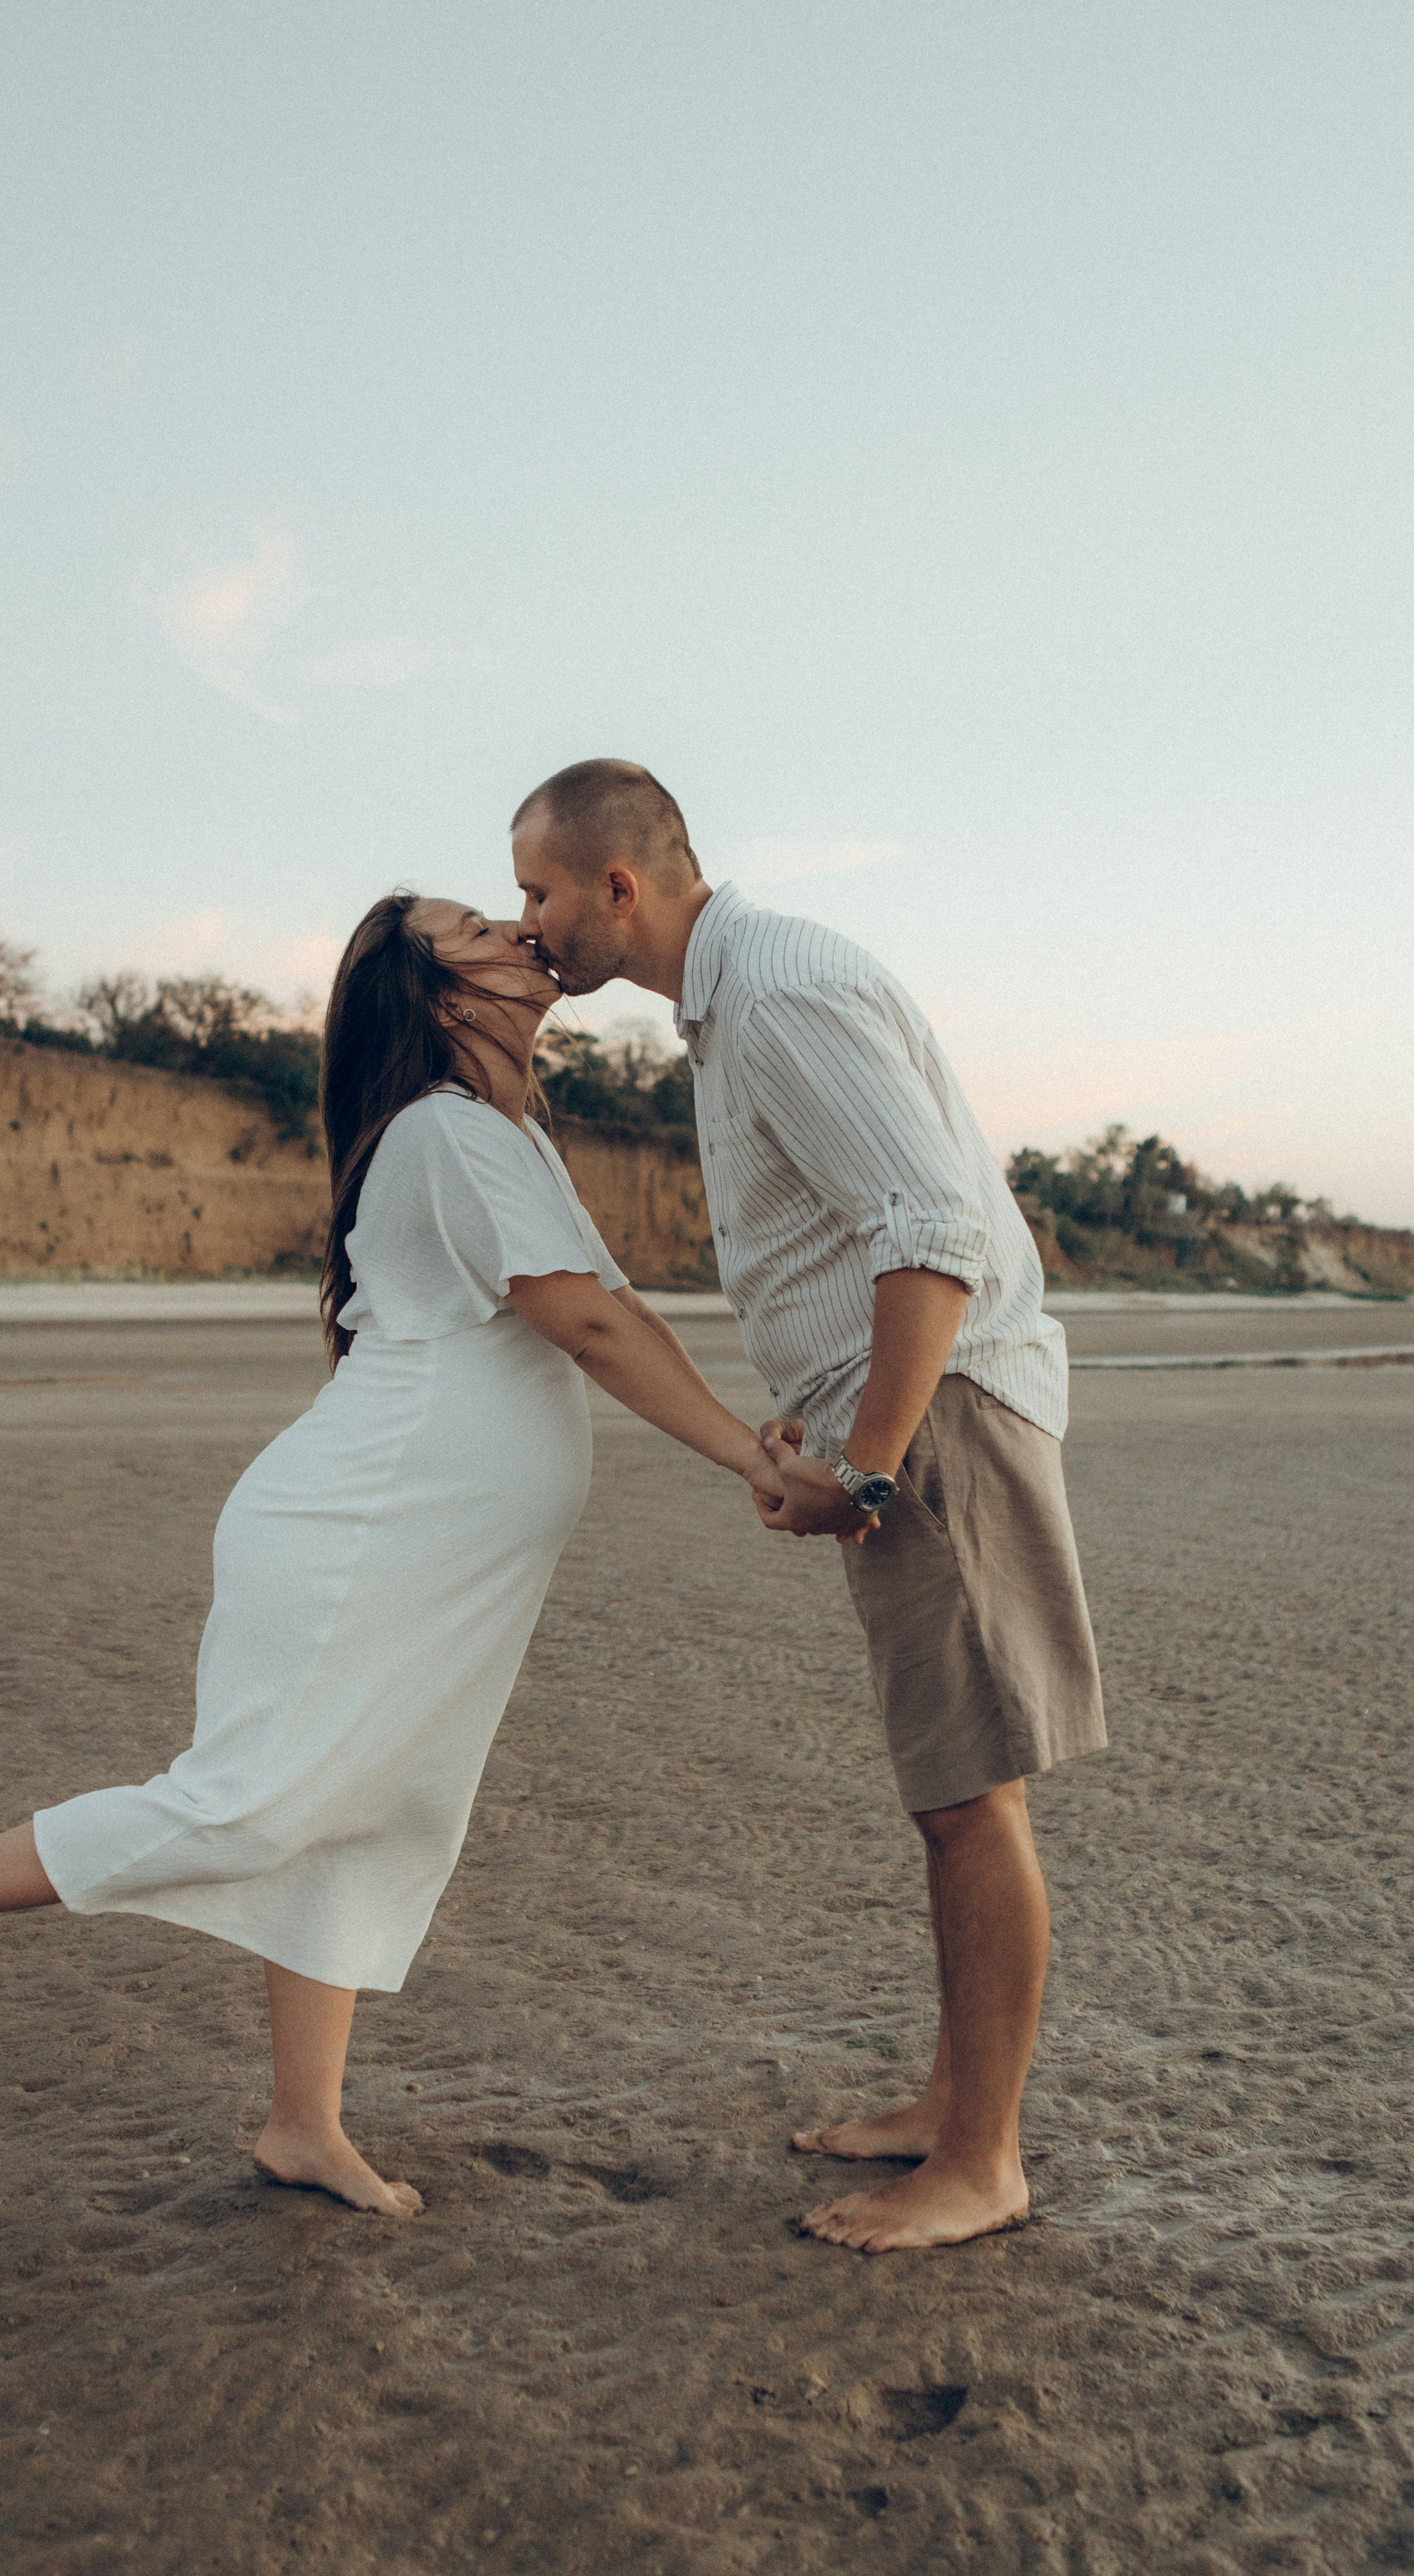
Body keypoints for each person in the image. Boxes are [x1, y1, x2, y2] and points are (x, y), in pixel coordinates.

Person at [0, 891, 785, 2220]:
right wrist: (747, 1460)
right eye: (477, 928)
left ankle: (301, 2125)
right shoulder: (444, 1132)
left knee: (379, 1815)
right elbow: (588, 1331)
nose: (516, 931)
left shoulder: (509, 1135)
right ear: (435, 996)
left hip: (434, 1558)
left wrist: (762, 1431)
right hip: (363, 1535)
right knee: (250, 1804)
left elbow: (618, 1308)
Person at [512, 760, 1107, 2253]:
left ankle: (981, 2162)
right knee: (950, 1787)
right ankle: (949, 2102)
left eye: (539, 892)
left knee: (967, 1796)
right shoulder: (740, 1003)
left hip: (943, 1419)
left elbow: (929, 1229)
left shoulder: (769, 994)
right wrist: (837, 1422)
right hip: (917, 1419)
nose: (531, 925)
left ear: (618, 888)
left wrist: (866, 1458)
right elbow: (863, 1236)